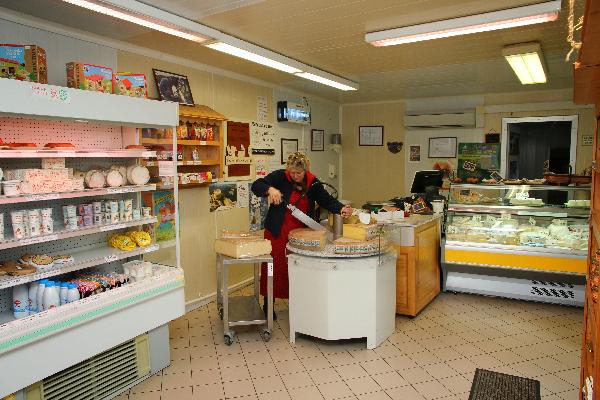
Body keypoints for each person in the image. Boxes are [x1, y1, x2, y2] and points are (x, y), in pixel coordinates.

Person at [251, 152, 352, 318]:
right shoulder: (279, 177)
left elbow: (326, 200)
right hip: (277, 231)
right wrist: (270, 189)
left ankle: (299, 302)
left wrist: (341, 208)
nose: (295, 176)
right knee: (273, 267)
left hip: (301, 232)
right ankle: (268, 304)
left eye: (299, 173)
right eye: (292, 172)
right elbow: (257, 185)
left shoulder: (313, 183)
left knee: (297, 268)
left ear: (306, 170)